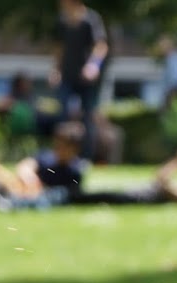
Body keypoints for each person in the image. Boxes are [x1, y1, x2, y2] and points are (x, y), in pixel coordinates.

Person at [0, 121, 177, 210]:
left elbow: (160, 181)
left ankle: (12, 203)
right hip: (128, 195)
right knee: (72, 197)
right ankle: (11, 200)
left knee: (69, 197)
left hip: (131, 198)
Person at [50, 0, 110, 162]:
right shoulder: (62, 20)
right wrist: (56, 70)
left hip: (86, 79)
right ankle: (61, 156)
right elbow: (59, 47)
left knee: (87, 117)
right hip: (67, 76)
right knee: (62, 115)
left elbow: (101, 45)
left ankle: (85, 157)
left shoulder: (91, 19)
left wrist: (93, 65)